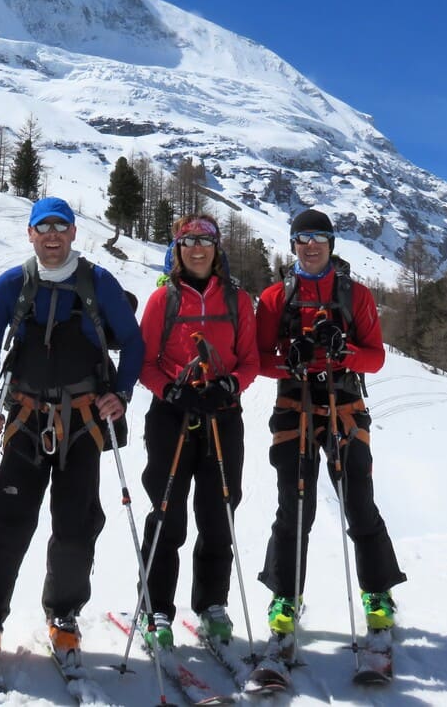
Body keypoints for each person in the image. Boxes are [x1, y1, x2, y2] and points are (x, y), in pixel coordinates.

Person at [0, 196, 143, 662]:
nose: (52, 235)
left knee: (76, 524)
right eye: (43, 227)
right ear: (30, 234)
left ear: (73, 234)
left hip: (83, 422)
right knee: (8, 520)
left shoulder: (98, 283)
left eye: (61, 226)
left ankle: (63, 613)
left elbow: (135, 344)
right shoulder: (12, 285)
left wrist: (120, 394)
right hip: (24, 420)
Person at [255, 208, 406, 643]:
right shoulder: (273, 298)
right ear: (293, 245)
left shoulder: (355, 296)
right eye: (304, 237)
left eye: (320, 236)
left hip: (345, 402)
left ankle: (377, 593)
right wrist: (290, 358)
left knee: (358, 500)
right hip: (294, 403)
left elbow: (375, 357)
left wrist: (343, 354)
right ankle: (285, 596)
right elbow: (260, 360)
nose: (312, 244)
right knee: (295, 506)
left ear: (331, 243)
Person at [136, 214, 259, 650]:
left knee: (219, 512)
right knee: (167, 512)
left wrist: (231, 384)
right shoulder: (162, 300)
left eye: (205, 241)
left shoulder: (237, 299)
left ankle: (212, 605)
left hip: (223, 415)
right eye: (188, 241)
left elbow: (251, 360)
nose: (197, 248)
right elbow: (144, 364)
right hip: (172, 416)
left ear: (216, 248)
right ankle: (156, 609)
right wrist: (170, 391)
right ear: (178, 250)